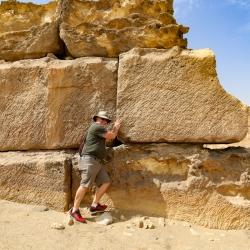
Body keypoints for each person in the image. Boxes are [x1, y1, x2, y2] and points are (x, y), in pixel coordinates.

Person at [70, 111, 121, 223]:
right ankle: (74, 210)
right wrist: (116, 128)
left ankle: (94, 205)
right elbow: (111, 136)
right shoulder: (96, 127)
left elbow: (107, 139)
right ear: (96, 119)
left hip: (96, 161)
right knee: (85, 185)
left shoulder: (99, 130)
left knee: (106, 182)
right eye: (101, 119)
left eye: (106, 121)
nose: (104, 121)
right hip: (90, 160)